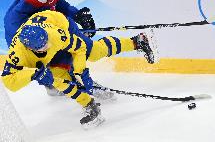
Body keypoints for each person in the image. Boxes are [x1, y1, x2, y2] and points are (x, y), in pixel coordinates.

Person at [1, 10, 156, 127]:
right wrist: (34, 74)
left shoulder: (54, 36)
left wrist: (80, 71)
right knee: (58, 79)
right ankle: (89, 104)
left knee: (93, 52)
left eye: (46, 42)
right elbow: (9, 82)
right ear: (30, 48)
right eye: (42, 47)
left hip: (62, 24)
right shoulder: (17, 54)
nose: (48, 46)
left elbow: (80, 48)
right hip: (39, 54)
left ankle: (137, 42)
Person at [4, 0, 98, 96]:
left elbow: (58, 4)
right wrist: (23, 39)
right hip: (19, 31)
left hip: (39, 26)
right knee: (58, 52)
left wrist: (77, 14)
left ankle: (68, 83)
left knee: (65, 49)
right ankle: (62, 85)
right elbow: (15, 16)